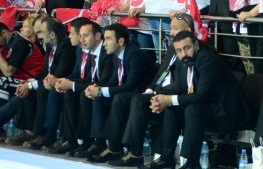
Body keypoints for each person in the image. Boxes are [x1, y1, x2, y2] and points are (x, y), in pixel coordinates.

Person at [148, 30, 249, 169]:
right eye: (179, 50)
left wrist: (169, 99)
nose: (184, 53)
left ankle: (192, 163)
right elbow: (179, 86)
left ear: (196, 45)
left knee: (192, 109)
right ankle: (166, 157)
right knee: (173, 108)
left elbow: (202, 95)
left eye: (187, 48)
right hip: (208, 109)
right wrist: (159, 98)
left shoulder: (207, 59)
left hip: (226, 112)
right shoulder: (184, 61)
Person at [107, 13, 197, 168]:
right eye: (171, 28)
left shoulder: (191, 50)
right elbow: (161, 74)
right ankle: (116, 148)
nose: (171, 33)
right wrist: (150, 90)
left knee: (138, 100)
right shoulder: (172, 48)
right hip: (160, 91)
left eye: (175, 28)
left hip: (175, 95)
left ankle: (136, 153)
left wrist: (161, 93)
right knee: (123, 98)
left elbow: (183, 82)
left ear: (188, 30)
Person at [84, 23, 154, 162]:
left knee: (119, 98)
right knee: (98, 98)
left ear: (121, 41)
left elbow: (130, 85)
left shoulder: (135, 54)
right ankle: (100, 142)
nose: (104, 43)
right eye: (104, 39)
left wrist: (101, 91)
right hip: (128, 94)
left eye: (108, 39)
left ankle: (116, 148)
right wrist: (96, 89)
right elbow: (114, 81)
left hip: (143, 95)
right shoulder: (117, 56)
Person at [7, 15, 74, 149]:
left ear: (52, 35)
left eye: (41, 33)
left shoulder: (66, 46)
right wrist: (29, 83)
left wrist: (31, 85)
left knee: (41, 90)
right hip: (50, 82)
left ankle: (44, 134)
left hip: (61, 83)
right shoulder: (50, 46)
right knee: (27, 88)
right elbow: (45, 70)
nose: (38, 36)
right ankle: (29, 132)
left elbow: (58, 74)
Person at [51, 20, 109, 157]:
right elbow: (86, 78)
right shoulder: (84, 50)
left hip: (106, 89)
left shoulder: (106, 52)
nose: (81, 39)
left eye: (85, 36)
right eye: (80, 36)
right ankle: (71, 139)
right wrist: (65, 82)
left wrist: (72, 84)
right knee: (69, 93)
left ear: (97, 36)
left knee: (84, 94)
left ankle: (91, 141)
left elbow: (101, 81)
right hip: (93, 86)